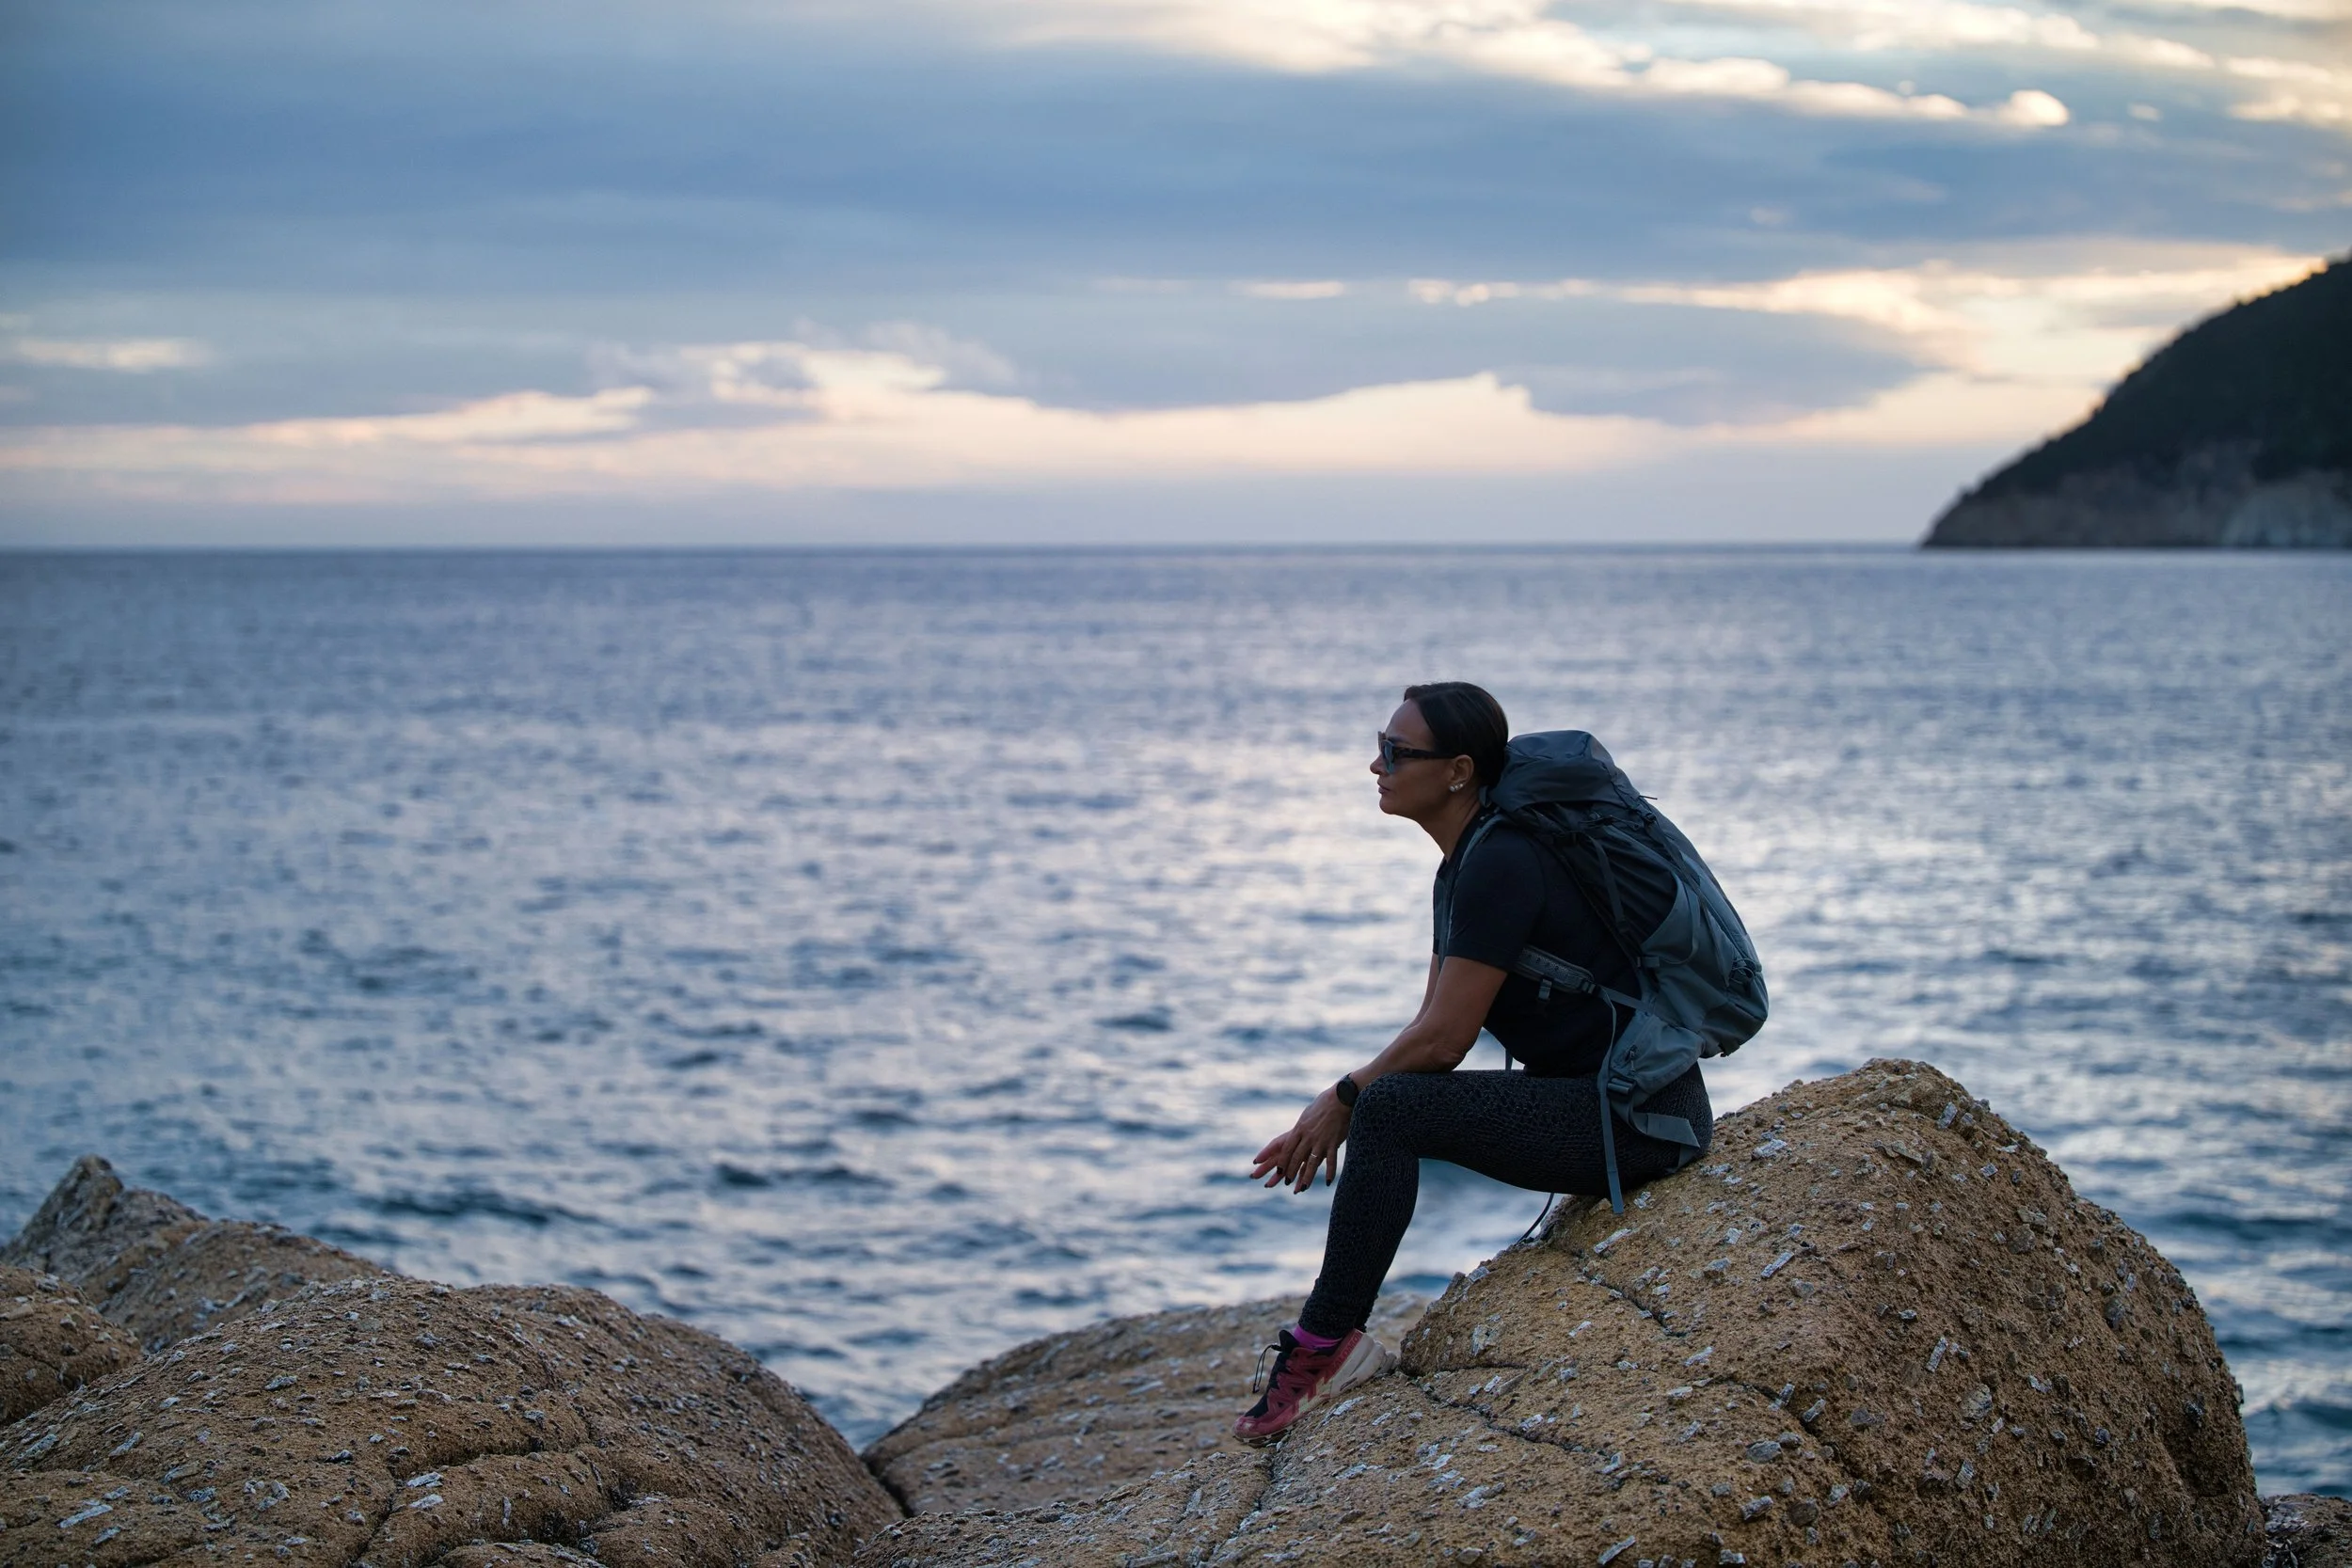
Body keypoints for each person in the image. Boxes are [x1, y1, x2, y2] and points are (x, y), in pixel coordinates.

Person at [1232, 681, 1715, 1446]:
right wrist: (1342, 1102)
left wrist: (1344, 1098)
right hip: (1602, 1102)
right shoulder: (1463, 866)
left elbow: (1445, 1042)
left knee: (1388, 1109)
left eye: (1396, 751)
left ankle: (1327, 1344)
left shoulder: (1503, 861)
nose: (1376, 764)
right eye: (1380, 746)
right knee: (1391, 1102)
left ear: (1457, 770)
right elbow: (1432, 1028)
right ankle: (1331, 1339)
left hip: (1641, 1121)